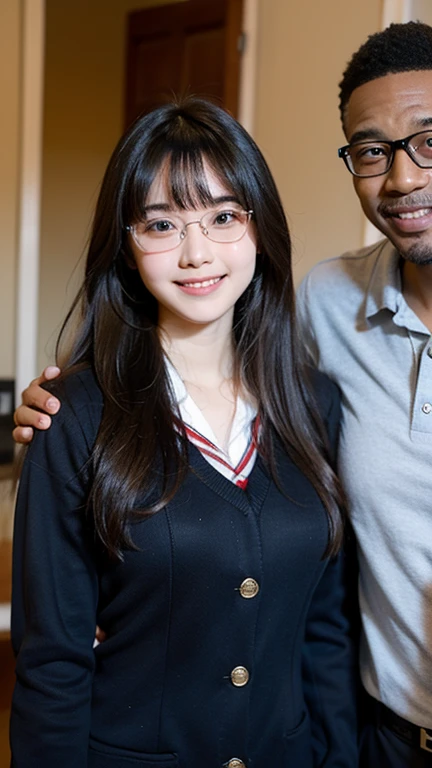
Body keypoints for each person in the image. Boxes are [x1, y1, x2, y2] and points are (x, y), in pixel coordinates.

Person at [9, 97, 358, 767]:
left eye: (224, 216)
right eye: (162, 224)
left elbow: (326, 631)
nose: (197, 253)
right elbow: (51, 661)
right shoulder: (72, 414)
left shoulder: (315, 404)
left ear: (260, 229)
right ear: (127, 242)